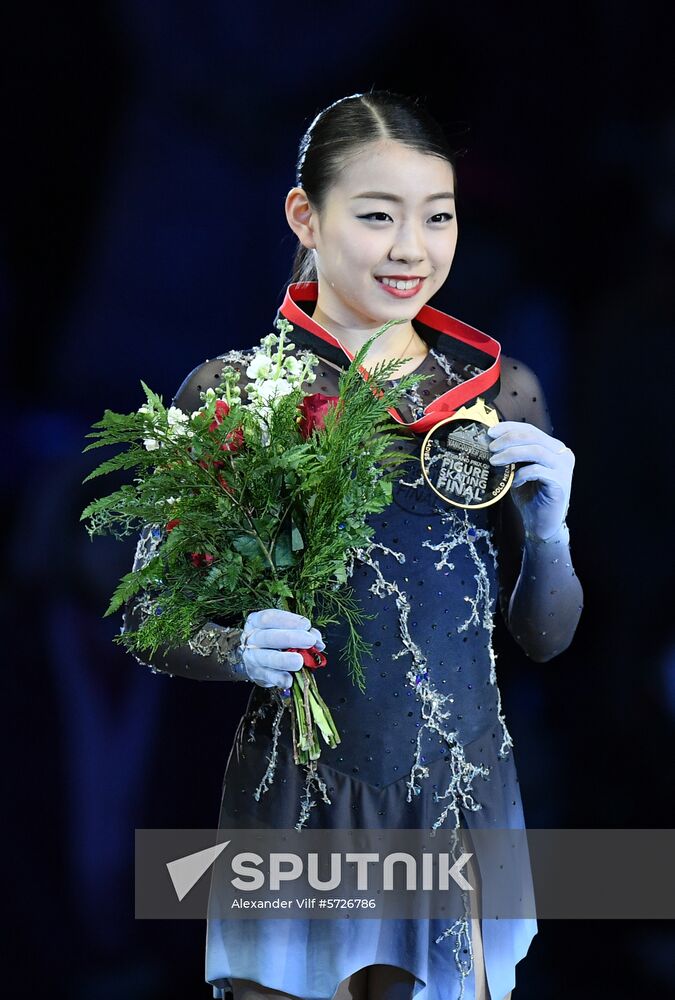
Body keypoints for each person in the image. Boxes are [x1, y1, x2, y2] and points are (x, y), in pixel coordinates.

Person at [123, 91, 583, 1000]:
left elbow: (543, 638)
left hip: (455, 801)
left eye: (436, 218)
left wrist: (549, 533)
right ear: (306, 214)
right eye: (376, 216)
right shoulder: (232, 395)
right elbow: (144, 613)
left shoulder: (501, 397)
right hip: (296, 798)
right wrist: (230, 647)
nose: (410, 248)